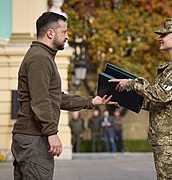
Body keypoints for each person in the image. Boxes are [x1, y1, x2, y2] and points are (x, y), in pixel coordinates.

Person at [11, 12, 117, 180]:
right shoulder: (39, 58)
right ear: (50, 33)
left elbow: (56, 98)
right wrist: (51, 133)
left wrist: (92, 101)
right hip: (34, 139)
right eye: (64, 32)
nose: (67, 37)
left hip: (31, 137)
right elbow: (40, 100)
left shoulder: (43, 56)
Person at [110, 18, 172, 179]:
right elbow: (154, 101)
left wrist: (132, 84)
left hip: (171, 138)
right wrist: (123, 98)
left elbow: (161, 94)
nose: (159, 37)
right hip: (165, 137)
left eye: (164, 34)